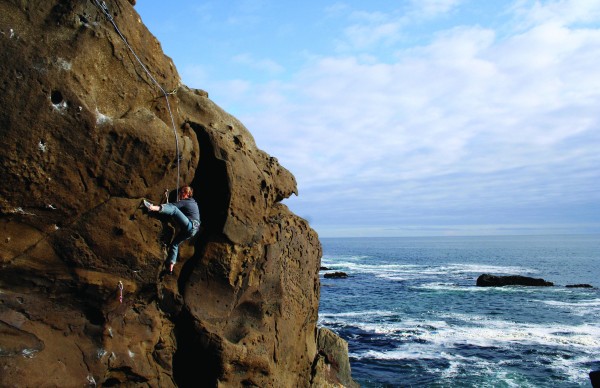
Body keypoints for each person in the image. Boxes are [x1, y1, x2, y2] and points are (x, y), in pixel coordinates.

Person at [143, 186, 200, 274]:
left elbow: (173, 207)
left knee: (174, 209)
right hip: (193, 230)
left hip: (190, 225)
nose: (180, 194)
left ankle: (151, 208)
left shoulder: (186, 202)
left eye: (182, 193)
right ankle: (170, 267)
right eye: (180, 192)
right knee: (175, 244)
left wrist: (163, 205)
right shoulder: (193, 203)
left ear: (187, 194)